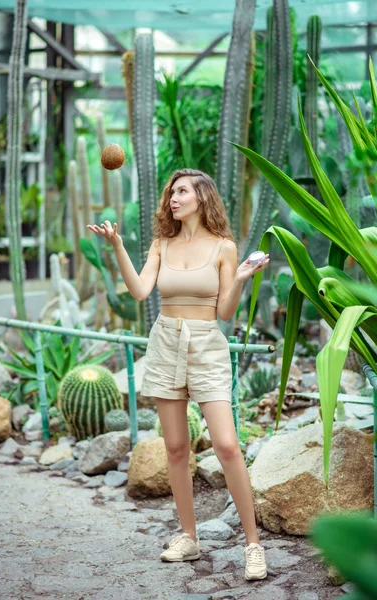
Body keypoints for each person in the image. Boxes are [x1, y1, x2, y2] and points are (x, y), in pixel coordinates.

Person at [87, 168, 270, 582]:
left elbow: (224, 313)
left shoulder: (224, 247)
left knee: (226, 445)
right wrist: (117, 245)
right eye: (171, 191)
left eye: (182, 191)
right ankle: (189, 535)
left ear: (202, 197)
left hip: (206, 345)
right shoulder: (161, 244)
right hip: (166, 342)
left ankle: (253, 544)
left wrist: (239, 278)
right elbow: (139, 291)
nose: (173, 197)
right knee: (175, 448)